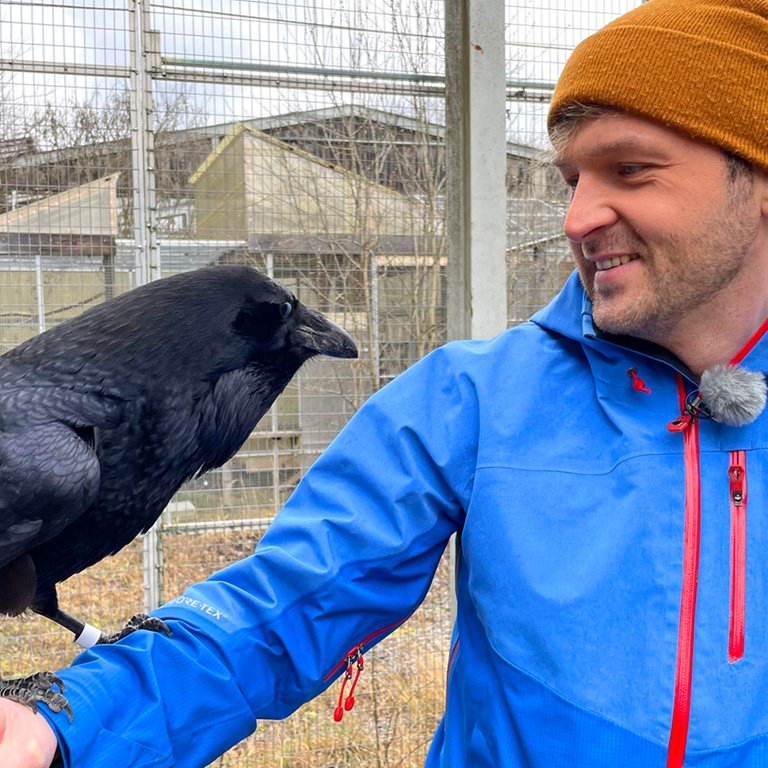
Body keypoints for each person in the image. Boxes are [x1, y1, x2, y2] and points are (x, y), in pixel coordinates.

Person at [4, 0, 768, 764]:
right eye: (571, 177)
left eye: (629, 169)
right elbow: (281, 610)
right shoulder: (471, 401)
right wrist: (67, 723)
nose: (576, 216)